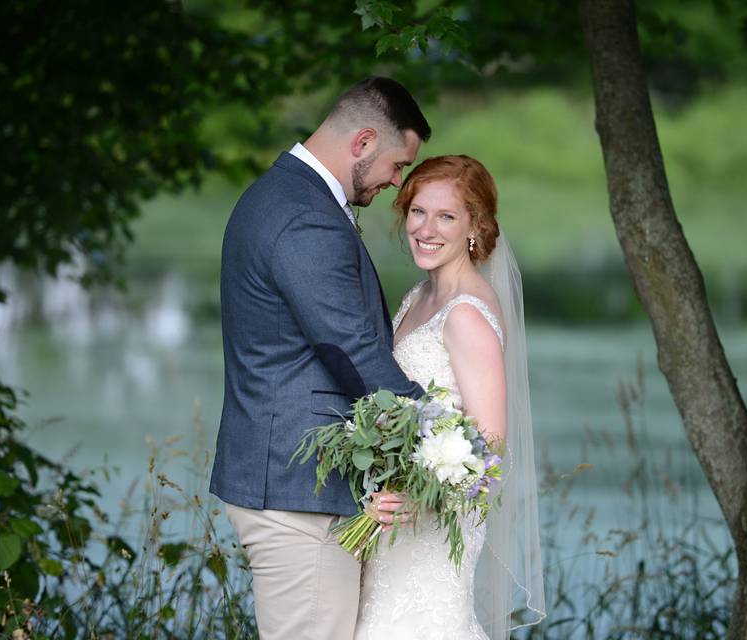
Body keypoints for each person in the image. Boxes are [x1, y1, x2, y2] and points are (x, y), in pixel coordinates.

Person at [209, 77, 431, 640]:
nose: (396, 181)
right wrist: (435, 428)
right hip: (295, 485)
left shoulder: (284, 195)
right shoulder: (304, 214)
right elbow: (348, 348)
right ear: (362, 143)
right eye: (398, 164)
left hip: (291, 478)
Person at [354, 156, 546, 639]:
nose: (425, 228)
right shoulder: (418, 298)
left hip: (434, 533)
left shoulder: (466, 315)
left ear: (475, 226)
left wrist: (424, 501)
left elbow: (491, 448)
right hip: (393, 525)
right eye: (418, 211)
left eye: (446, 216)